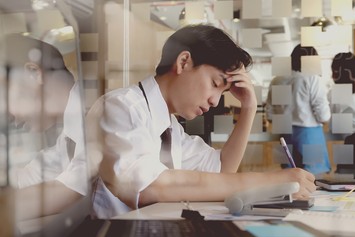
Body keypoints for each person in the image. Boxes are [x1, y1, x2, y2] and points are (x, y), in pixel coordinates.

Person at [89, 24, 316, 219]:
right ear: (184, 61)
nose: (215, 101)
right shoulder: (120, 107)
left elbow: (222, 170)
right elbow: (150, 186)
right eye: (215, 84)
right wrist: (268, 182)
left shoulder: (170, 128)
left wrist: (249, 108)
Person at [5, 34, 89, 221]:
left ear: (34, 73)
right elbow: (32, 175)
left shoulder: (96, 114)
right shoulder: (68, 135)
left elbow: (72, 190)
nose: (13, 119)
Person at [265, 44, 331, 175]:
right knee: (314, 179)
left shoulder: (277, 80)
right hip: (309, 134)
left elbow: (270, 114)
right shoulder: (312, 79)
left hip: (285, 135)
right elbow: (323, 115)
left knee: (289, 179)